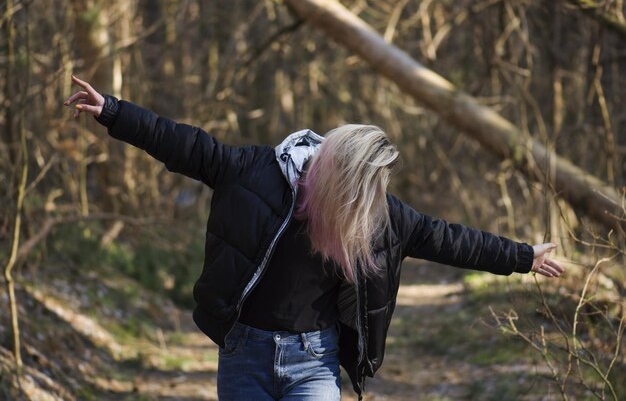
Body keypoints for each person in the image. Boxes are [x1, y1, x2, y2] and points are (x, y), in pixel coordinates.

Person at [64, 75, 565, 400]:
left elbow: (450, 239)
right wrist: (113, 111)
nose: (358, 206)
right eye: (352, 192)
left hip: (314, 361)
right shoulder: (253, 171)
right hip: (246, 354)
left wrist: (523, 256)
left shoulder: (376, 213)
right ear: (330, 171)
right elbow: (183, 143)